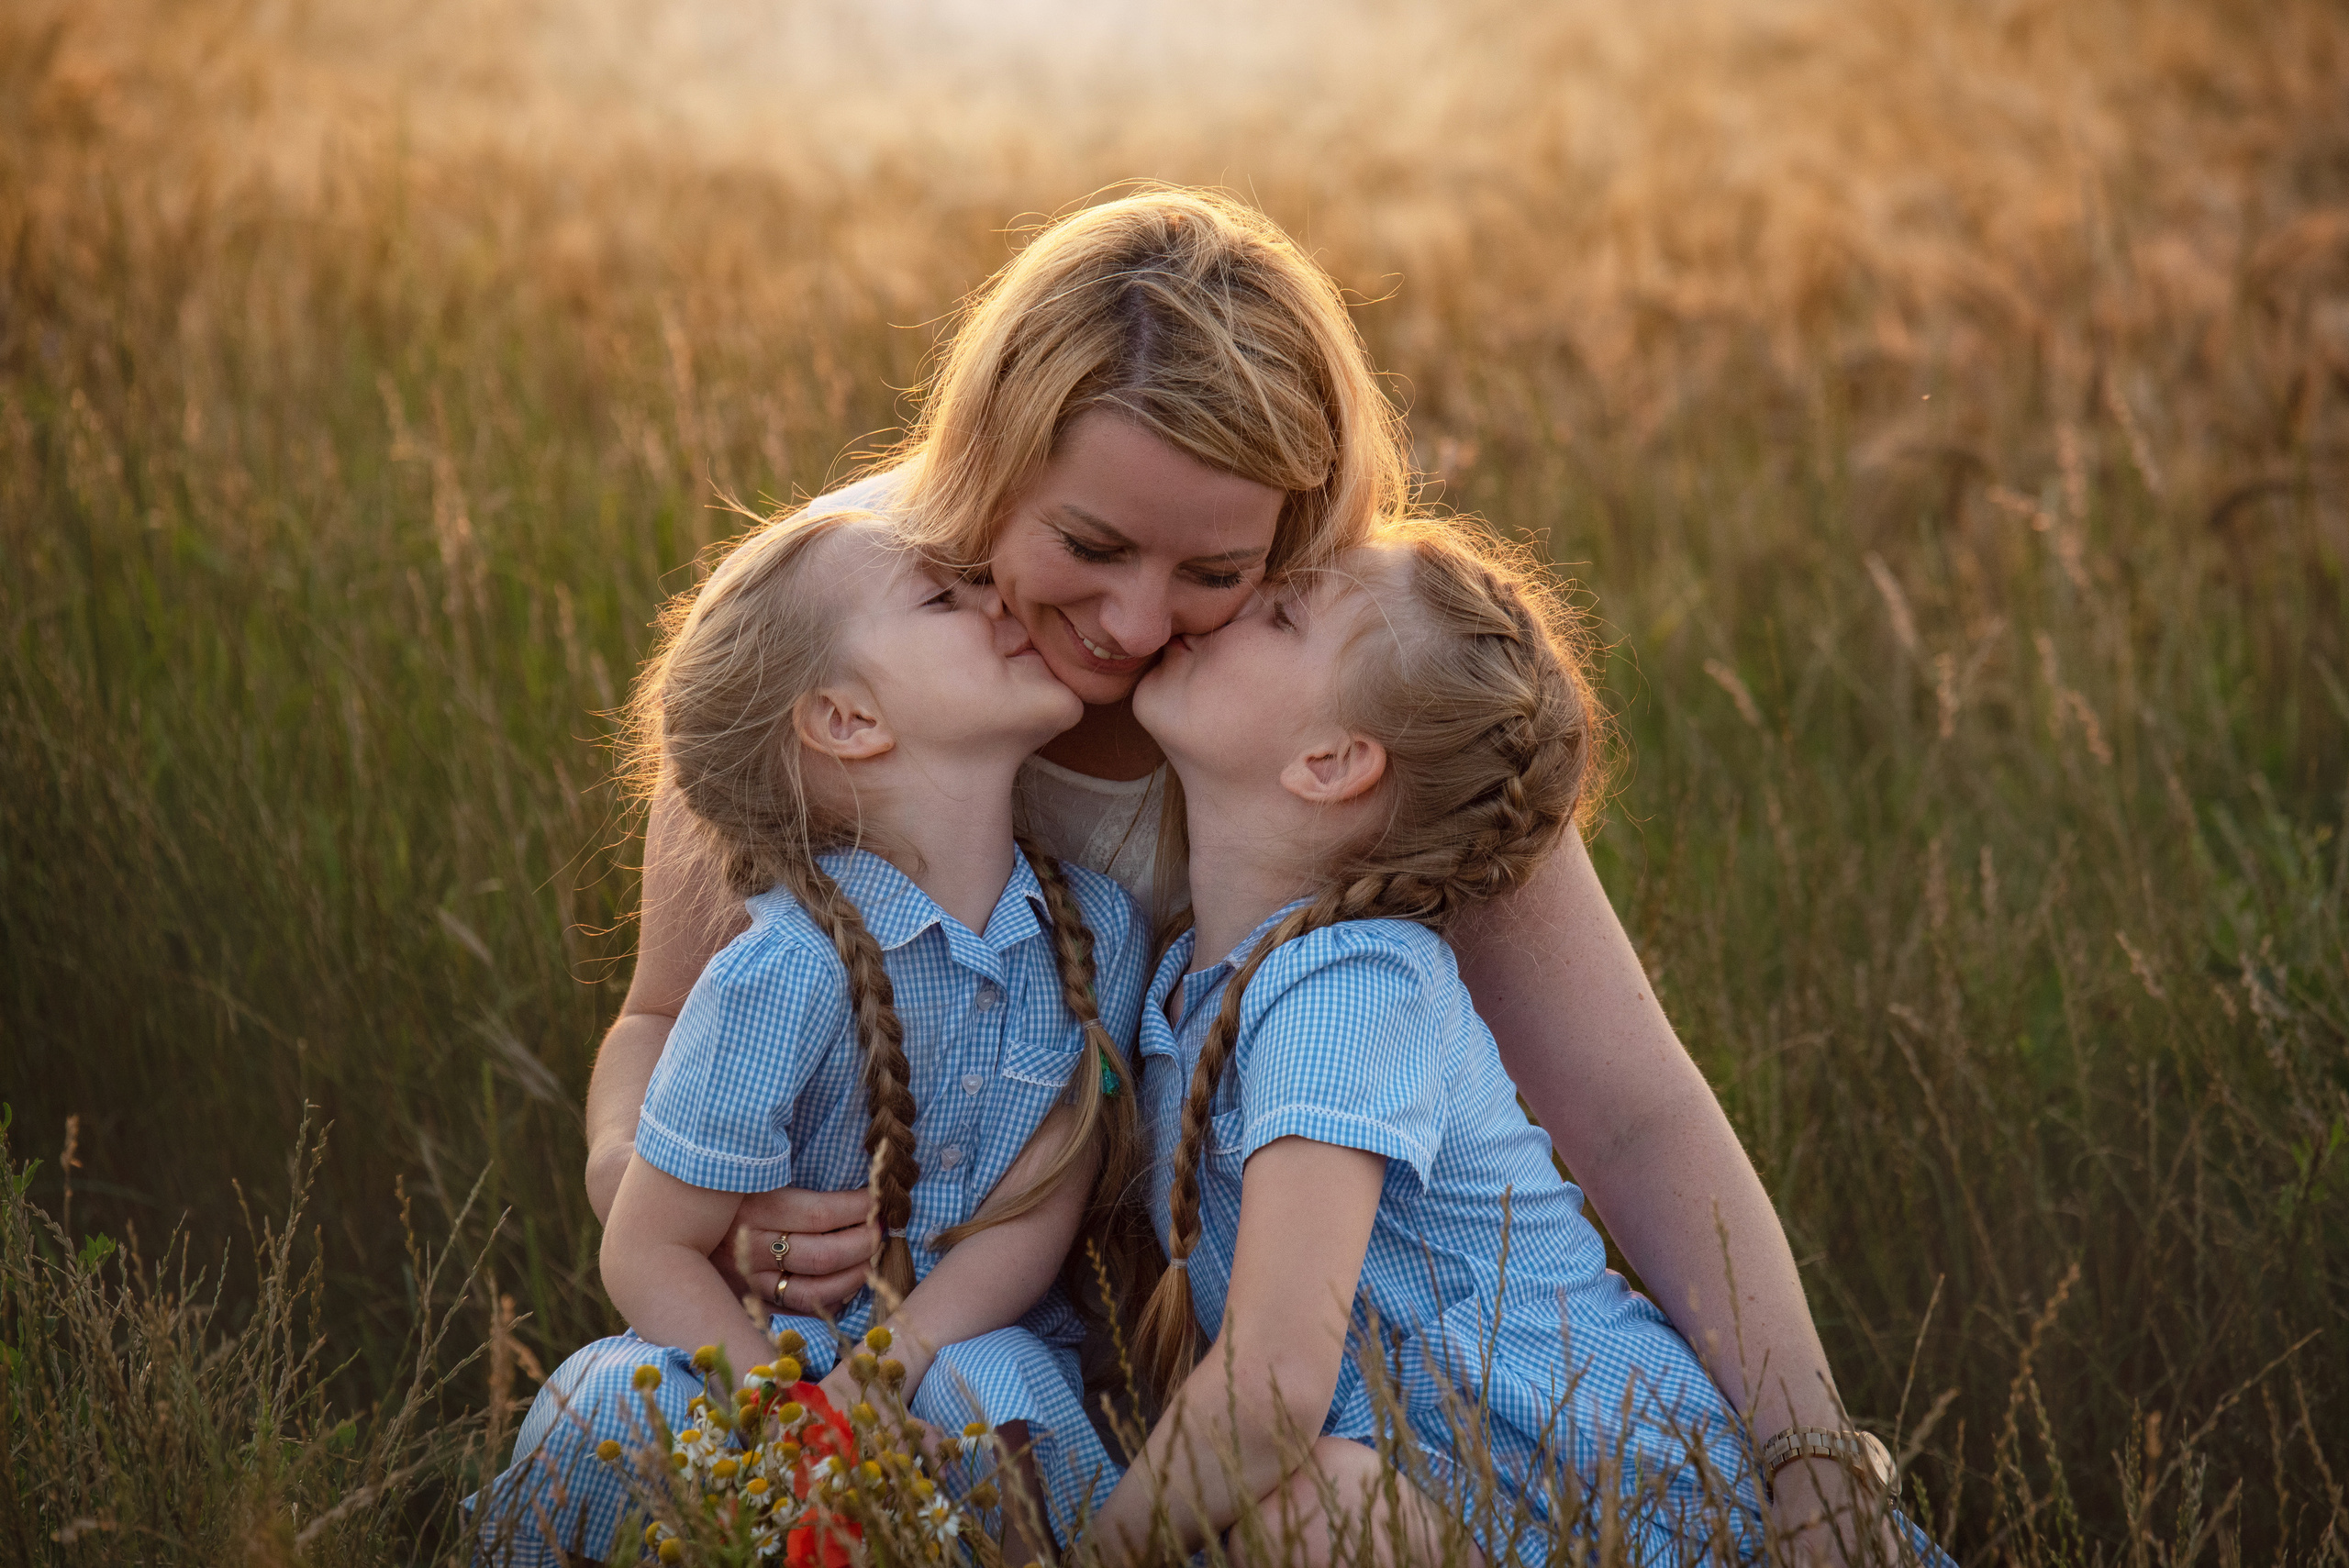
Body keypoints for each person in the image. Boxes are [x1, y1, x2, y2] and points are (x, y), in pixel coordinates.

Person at [584, 187, 1913, 1560]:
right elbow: (658, 1021)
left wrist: (1808, 1452)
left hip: (1275, 1420)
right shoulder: (833, 630)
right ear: (986, 456)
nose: (1136, 622)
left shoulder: (1357, 679)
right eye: (1089, 545)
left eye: (1220, 569)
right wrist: (682, 1199)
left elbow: (1629, 1107)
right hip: (1005, 1356)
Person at [1085, 521, 1945, 1563]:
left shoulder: (1342, 987)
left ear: (1331, 761)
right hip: (1473, 1497)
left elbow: (1270, 1387)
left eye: (1278, 614)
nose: (1224, 609)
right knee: (1305, 1507)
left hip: (1627, 1500)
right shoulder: (1194, 984)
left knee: (1317, 1507)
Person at [481, 509, 1147, 1564]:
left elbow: (1041, 1205)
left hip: (965, 1337)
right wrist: (795, 1415)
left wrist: (888, 1366)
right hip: (764, 1353)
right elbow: (648, 1243)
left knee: (995, 1394)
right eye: (945, 597)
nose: (998, 601)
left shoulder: (1095, 934)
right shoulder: (782, 969)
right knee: (604, 1410)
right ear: (846, 718)